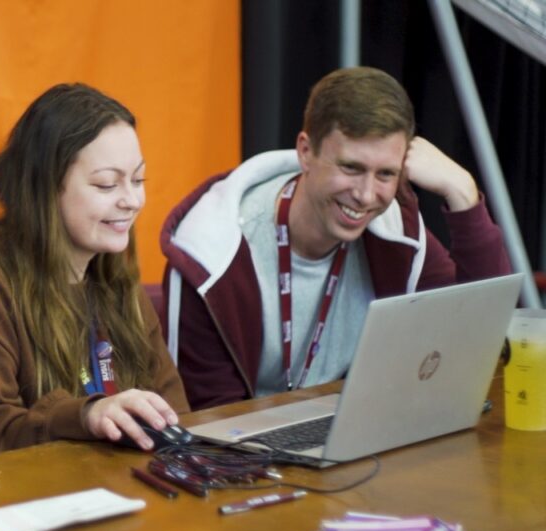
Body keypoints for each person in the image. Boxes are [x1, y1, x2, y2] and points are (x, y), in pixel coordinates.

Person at [161, 66, 511, 411]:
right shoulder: (212, 254)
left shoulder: (394, 229)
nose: (365, 195)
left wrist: (464, 195)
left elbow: (484, 337)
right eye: (351, 168)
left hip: (354, 432)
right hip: (248, 452)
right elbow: (209, 422)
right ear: (305, 151)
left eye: (386, 174)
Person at [0, 83, 190, 469]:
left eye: (138, 180)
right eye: (107, 183)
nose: (132, 200)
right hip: (4, 515)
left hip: (111, 497)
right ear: (45, 188)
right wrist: (85, 416)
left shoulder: (113, 279)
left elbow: (174, 413)